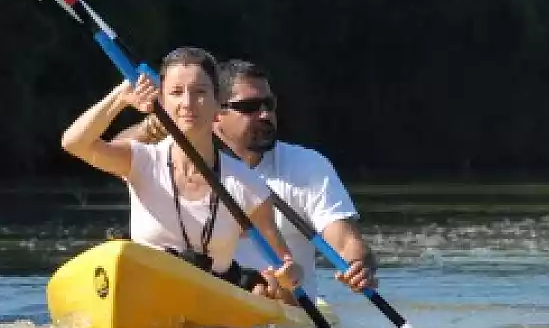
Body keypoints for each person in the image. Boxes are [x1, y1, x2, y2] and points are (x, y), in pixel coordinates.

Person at [61, 46, 301, 300]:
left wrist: (288, 276)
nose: (187, 103)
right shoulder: (140, 160)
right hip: (147, 293)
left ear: (218, 105)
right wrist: (120, 96)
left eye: (200, 92)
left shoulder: (247, 185)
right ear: (162, 102)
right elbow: (74, 143)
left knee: (262, 290)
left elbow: (288, 268)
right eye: (176, 92)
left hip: (212, 300)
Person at [216, 59, 378, 300]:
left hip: (290, 306)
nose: (265, 114)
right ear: (215, 114)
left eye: (269, 104)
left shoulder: (307, 165)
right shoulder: (183, 165)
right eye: (250, 107)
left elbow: (345, 241)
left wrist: (357, 265)